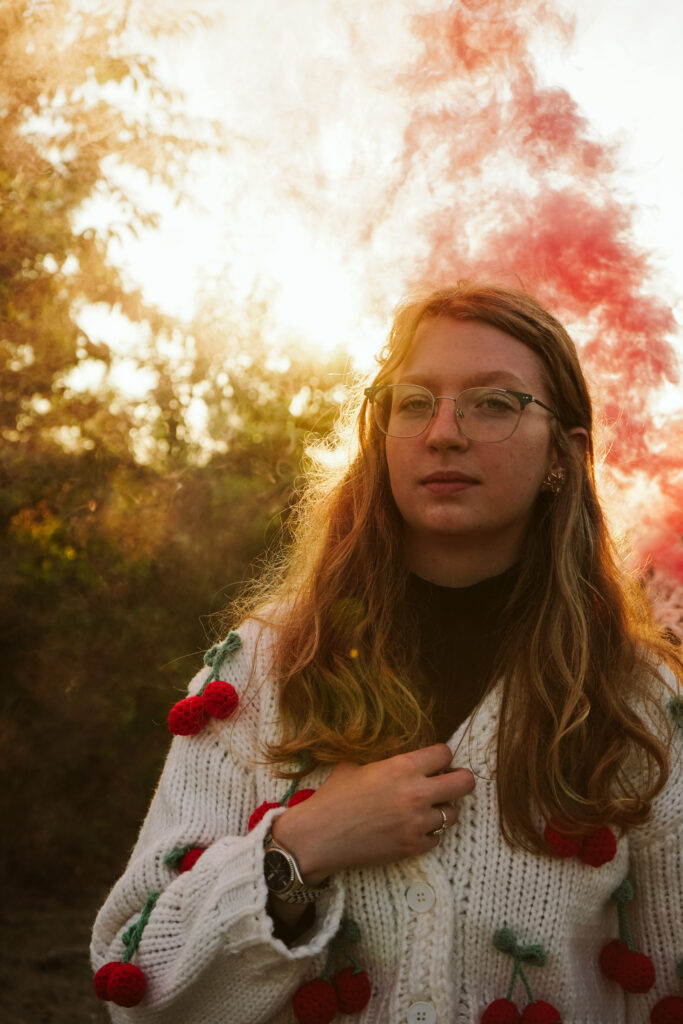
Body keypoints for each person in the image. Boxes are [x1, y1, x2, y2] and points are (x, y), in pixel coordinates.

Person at [91, 283, 683, 1024]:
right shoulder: (264, 667)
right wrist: (299, 850)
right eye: (413, 402)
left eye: (493, 403)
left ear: (563, 454)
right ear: (380, 434)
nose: (443, 432)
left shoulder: (635, 698)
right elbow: (139, 978)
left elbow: (662, 985)